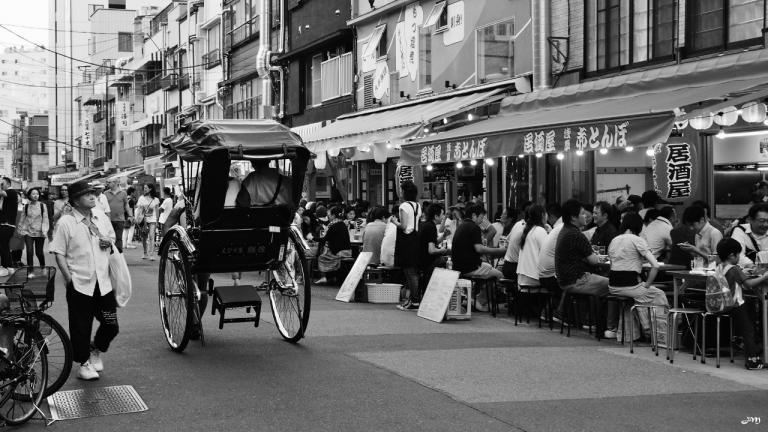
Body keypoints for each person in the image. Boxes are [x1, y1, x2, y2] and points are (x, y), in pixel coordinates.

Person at [49, 180, 119, 381]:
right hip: (79, 282)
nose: (92, 196)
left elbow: (111, 238)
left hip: (103, 282)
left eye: (93, 193)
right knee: (81, 326)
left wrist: (108, 241)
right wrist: (68, 277)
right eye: (87, 194)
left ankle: (95, 349)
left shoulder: (100, 218)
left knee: (111, 323)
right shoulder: (66, 222)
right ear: (75, 200)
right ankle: (84, 363)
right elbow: (58, 252)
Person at [555, 199, 616, 332]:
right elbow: (594, 261)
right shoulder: (576, 234)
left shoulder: (565, 230)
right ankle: (610, 327)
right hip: (577, 279)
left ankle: (596, 322)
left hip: (565, 279)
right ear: (573, 217)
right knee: (615, 286)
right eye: (583, 214)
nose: (587, 216)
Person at [607, 212, 668, 339]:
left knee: (632, 300)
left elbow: (613, 264)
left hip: (613, 286)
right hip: (630, 287)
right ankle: (658, 334)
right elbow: (655, 265)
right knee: (658, 294)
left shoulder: (614, 240)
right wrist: (647, 285)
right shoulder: (637, 240)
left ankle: (629, 335)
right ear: (638, 226)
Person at [715, 238, 767, 370]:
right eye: (738, 254)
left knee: (746, 327)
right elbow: (748, 285)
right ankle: (752, 360)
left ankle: (740, 341)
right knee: (748, 330)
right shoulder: (734, 269)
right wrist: (765, 277)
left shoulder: (720, 267)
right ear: (732, 255)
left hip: (725, 304)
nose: (739, 257)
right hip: (737, 304)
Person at [451, 204, 506, 311]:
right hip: (470, 267)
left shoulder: (462, 226)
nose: (482, 221)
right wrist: (499, 250)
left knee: (489, 268)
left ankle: (474, 298)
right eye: (481, 217)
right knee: (499, 274)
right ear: (474, 216)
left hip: (458, 266)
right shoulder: (474, 227)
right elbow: (479, 249)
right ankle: (479, 301)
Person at [393, 181, 422, 310]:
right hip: (416, 238)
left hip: (406, 239)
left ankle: (414, 300)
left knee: (409, 272)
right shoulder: (418, 206)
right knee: (413, 270)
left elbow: (404, 226)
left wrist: (394, 221)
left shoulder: (404, 206)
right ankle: (412, 300)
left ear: (405, 193)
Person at [314, 206, 352, 285]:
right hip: (348, 251)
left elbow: (324, 239)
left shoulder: (333, 226)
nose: (328, 216)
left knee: (322, 257)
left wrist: (312, 238)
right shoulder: (342, 224)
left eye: (329, 214)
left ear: (334, 215)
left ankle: (326, 277)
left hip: (340, 252)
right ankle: (330, 277)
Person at [418, 203, 450, 289]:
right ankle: (440, 290)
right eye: (442, 214)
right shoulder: (431, 226)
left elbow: (432, 242)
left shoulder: (426, 224)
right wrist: (442, 250)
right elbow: (431, 250)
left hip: (419, 260)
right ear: (436, 216)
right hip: (426, 263)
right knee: (447, 262)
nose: (443, 217)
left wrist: (443, 236)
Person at [516, 205, 548, 288]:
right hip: (533, 278)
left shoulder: (528, 230)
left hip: (522, 278)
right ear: (542, 215)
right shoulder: (540, 231)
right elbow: (547, 253)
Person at [16, 188, 49, 267]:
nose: (35, 195)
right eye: (33, 194)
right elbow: (22, 219)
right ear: (30, 195)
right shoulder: (26, 206)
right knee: (29, 252)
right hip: (28, 232)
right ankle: (30, 271)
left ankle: (43, 268)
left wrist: (44, 231)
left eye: (37, 194)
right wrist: (20, 230)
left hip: (40, 232)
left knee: (39, 253)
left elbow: (45, 219)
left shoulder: (42, 206)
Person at [104, 179, 131, 252]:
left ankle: (119, 253)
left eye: (110, 182)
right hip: (108, 219)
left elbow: (126, 205)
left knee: (119, 238)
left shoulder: (123, 193)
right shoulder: (105, 193)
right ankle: (111, 252)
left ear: (115, 183)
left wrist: (130, 215)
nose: (108, 183)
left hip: (120, 219)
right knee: (109, 237)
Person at [136, 183, 160, 261]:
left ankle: (152, 254)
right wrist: (137, 219)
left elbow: (157, 211)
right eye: (144, 188)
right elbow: (139, 210)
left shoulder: (156, 199)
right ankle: (145, 252)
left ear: (150, 189)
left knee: (152, 236)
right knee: (144, 237)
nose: (144, 189)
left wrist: (157, 221)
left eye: (146, 188)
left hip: (152, 219)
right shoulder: (141, 198)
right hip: (144, 220)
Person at [0, 178, 18, 270]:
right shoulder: (3, 195)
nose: (1, 185)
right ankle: (7, 266)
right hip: (3, 224)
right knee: (3, 246)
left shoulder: (12, 192)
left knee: (3, 246)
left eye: (2, 183)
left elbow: (2, 193)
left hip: (8, 225)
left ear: (8, 184)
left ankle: (7, 266)